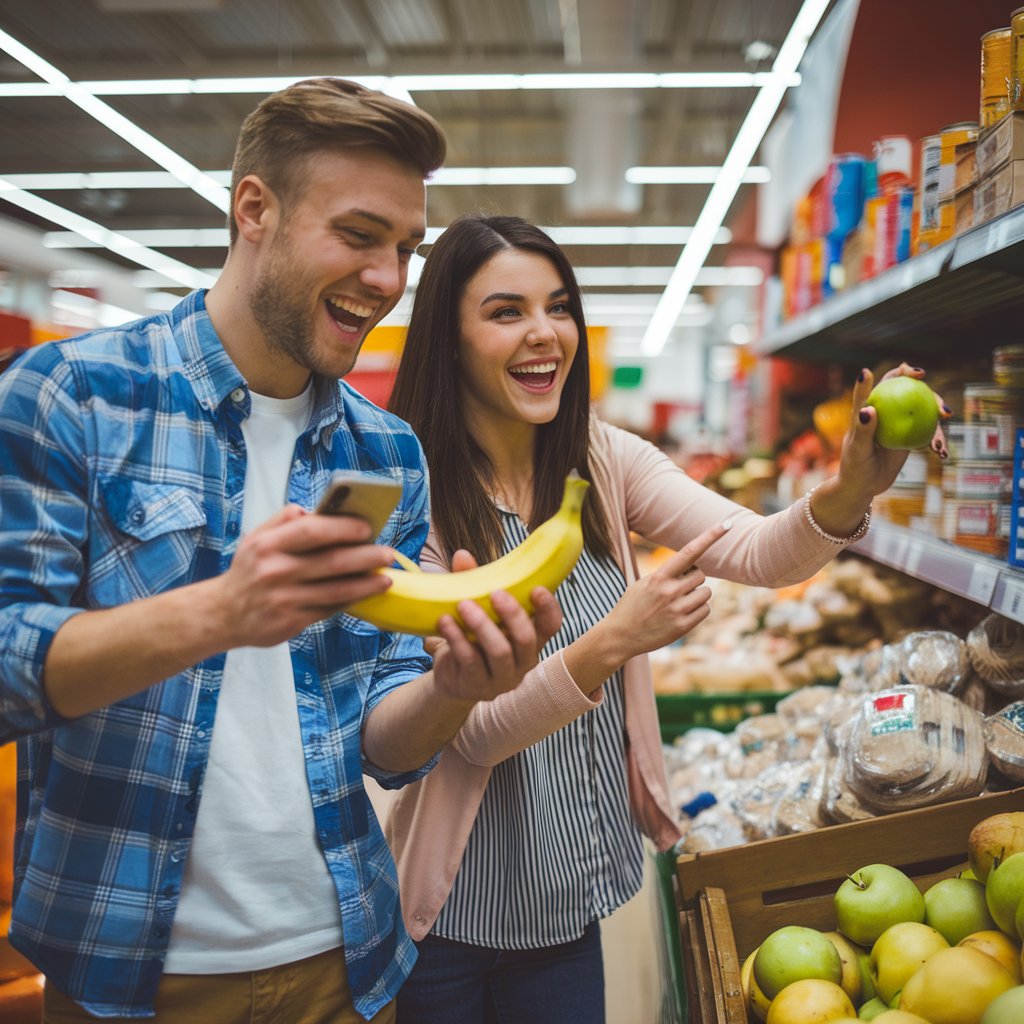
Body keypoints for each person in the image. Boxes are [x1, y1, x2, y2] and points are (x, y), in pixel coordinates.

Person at [0, 83, 561, 1024]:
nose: (387, 277)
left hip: (350, 960)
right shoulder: (72, 397)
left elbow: (384, 744)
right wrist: (220, 611)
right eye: (358, 234)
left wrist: (457, 687)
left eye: (405, 249)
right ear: (253, 208)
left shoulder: (384, 453)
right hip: (130, 968)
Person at [384, 213, 949, 1024]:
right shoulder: (418, 495)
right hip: (453, 917)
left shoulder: (600, 457)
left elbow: (755, 551)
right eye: (506, 312)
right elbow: (466, 728)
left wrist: (851, 487)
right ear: (449, 338)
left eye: (559, 306)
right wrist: (619, 635)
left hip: (567, 902)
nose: (545, 333)